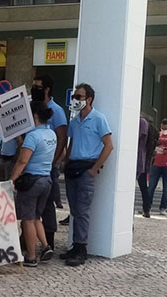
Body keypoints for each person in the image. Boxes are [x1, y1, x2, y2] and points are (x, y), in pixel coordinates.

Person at [60, 83, 114, 267]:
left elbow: (109, 145)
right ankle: (75, 247)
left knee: (82, 211)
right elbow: (71, 143)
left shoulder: (99, 118)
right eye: (74, 96)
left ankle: (81, 248)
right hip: (72, 167)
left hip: (87, 168)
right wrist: (65, 163)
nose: (75, 99)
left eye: (79, 96)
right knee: (74, 210)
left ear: (89, 99)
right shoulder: (74, 122)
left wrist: (95, 168)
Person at [10, 102, 58, 267]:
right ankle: (45, 246)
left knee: (27, 219)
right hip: (46, 180)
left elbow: (23, 161)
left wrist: (12, 180)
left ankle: (30, 256)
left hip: (32, 181)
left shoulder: (33, 136)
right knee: (36, 216)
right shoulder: (51, 134)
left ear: (34, 115)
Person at [31, 74, 68, 254]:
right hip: (30, 164)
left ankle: (49, 241)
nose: (34, 89)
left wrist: (54, 161)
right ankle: (28, 240)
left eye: (37, 86)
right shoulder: (31, 107)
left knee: (47, 205)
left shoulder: (57, 111)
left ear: (46, 89)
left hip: (47, 166)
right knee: (29, 205)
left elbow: (62, 139)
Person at [143, 119, 167, 217]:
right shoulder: (158, 135)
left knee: (166, 188)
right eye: (162, 128)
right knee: (151, 187)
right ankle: (147, 207)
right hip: (157, 163)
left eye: (166, 128)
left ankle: (163, 207)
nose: (164, 130)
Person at [135, 114, 152, 217]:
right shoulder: (143, 121)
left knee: (143, 186)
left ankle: (146, 208)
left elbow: (140, 137)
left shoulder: (142, 122)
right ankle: (146, 209)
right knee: (143, 186)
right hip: (141, 158)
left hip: (140, 159)